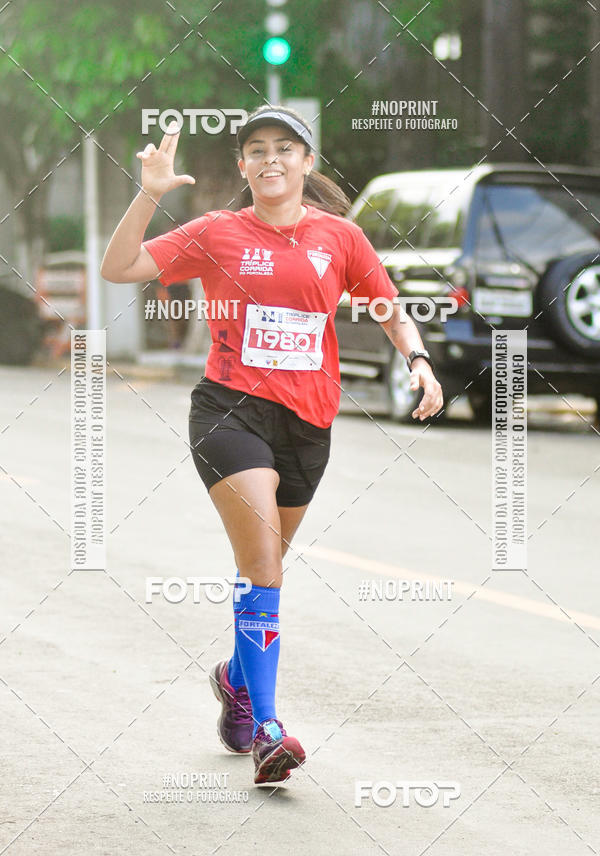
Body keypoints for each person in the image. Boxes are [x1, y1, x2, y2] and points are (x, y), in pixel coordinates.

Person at [100, 104, 443, 785]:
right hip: (229, 412)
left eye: (285, 148)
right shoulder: (218, 231)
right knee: (262, 568)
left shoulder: (340, 238)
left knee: (266, 571)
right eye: (256, 149)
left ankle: (235, 679)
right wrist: (150, 193)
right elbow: (121, 267)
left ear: (307, 162)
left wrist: (419, 360)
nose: (271, 159)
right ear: (243, 165)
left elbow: (388, 306)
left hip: (308, 425)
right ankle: (267, 729)